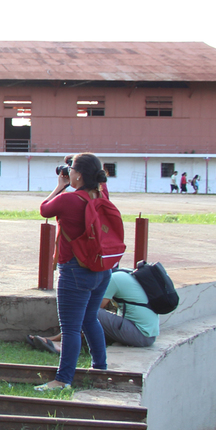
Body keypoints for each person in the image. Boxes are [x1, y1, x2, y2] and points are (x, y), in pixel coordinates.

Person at [36, 152, 112, 391]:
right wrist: (75, 167)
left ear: (77, 175)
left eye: (72, 170)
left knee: (70, 328)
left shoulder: (68, 199)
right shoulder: (101, 194)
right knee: (90, 319)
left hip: (75, 270)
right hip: (101, 269)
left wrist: (60, 186)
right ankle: (100, 366)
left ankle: (63, 380)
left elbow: (44, 209)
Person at [27, 268, 159, 353]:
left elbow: (92, 311)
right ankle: (58, 341)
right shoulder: (125, 275)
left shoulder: (114, 279)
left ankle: (62, 345)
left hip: (140, 334)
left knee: (87, 313)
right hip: (147, 334)